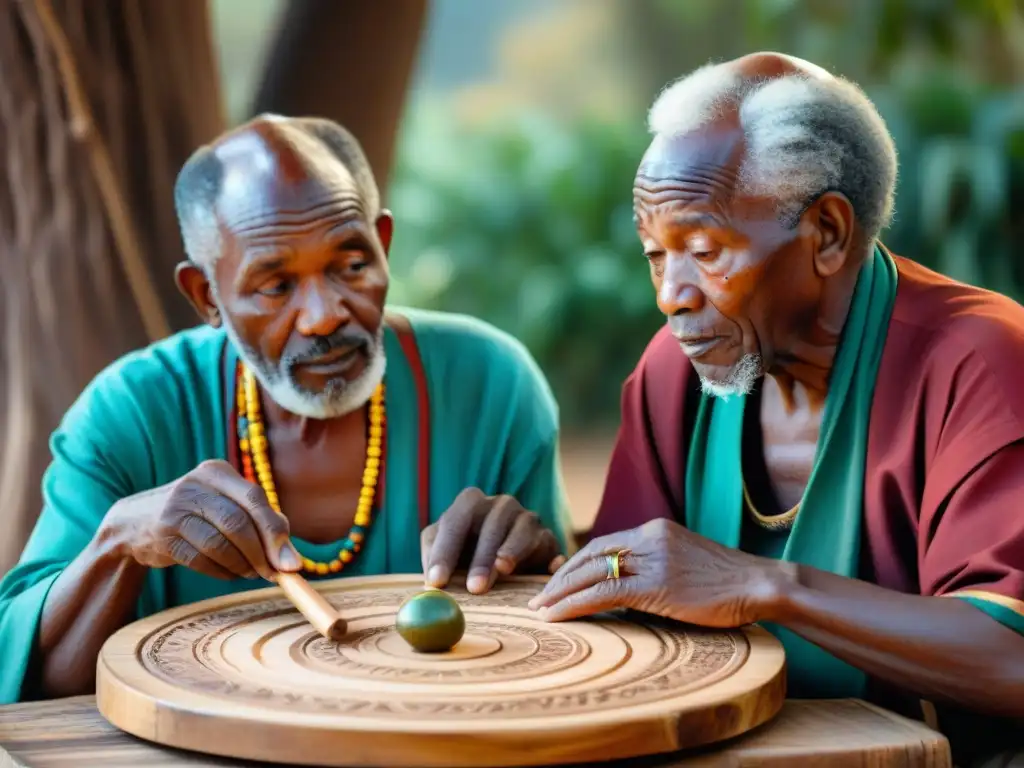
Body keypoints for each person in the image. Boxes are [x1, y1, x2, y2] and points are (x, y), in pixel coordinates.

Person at [528, 53, 1024, 765]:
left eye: (704, 250)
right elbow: (628, 594)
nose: (671, 294)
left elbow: (1011, 656)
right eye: (655, 255)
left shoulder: (981, 361)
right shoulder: (674, 370)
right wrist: (539, 555)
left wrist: (762, 585)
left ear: (826, 233)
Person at [0, 115, 572, 705]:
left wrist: (530, 565)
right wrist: (118, 545)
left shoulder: (493, 388)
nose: (324, 315)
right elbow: (29, 678)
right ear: (206, 295)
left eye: (351, 266)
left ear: (384, 244)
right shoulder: (132, 413)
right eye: (275, 286)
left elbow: (569, 646)